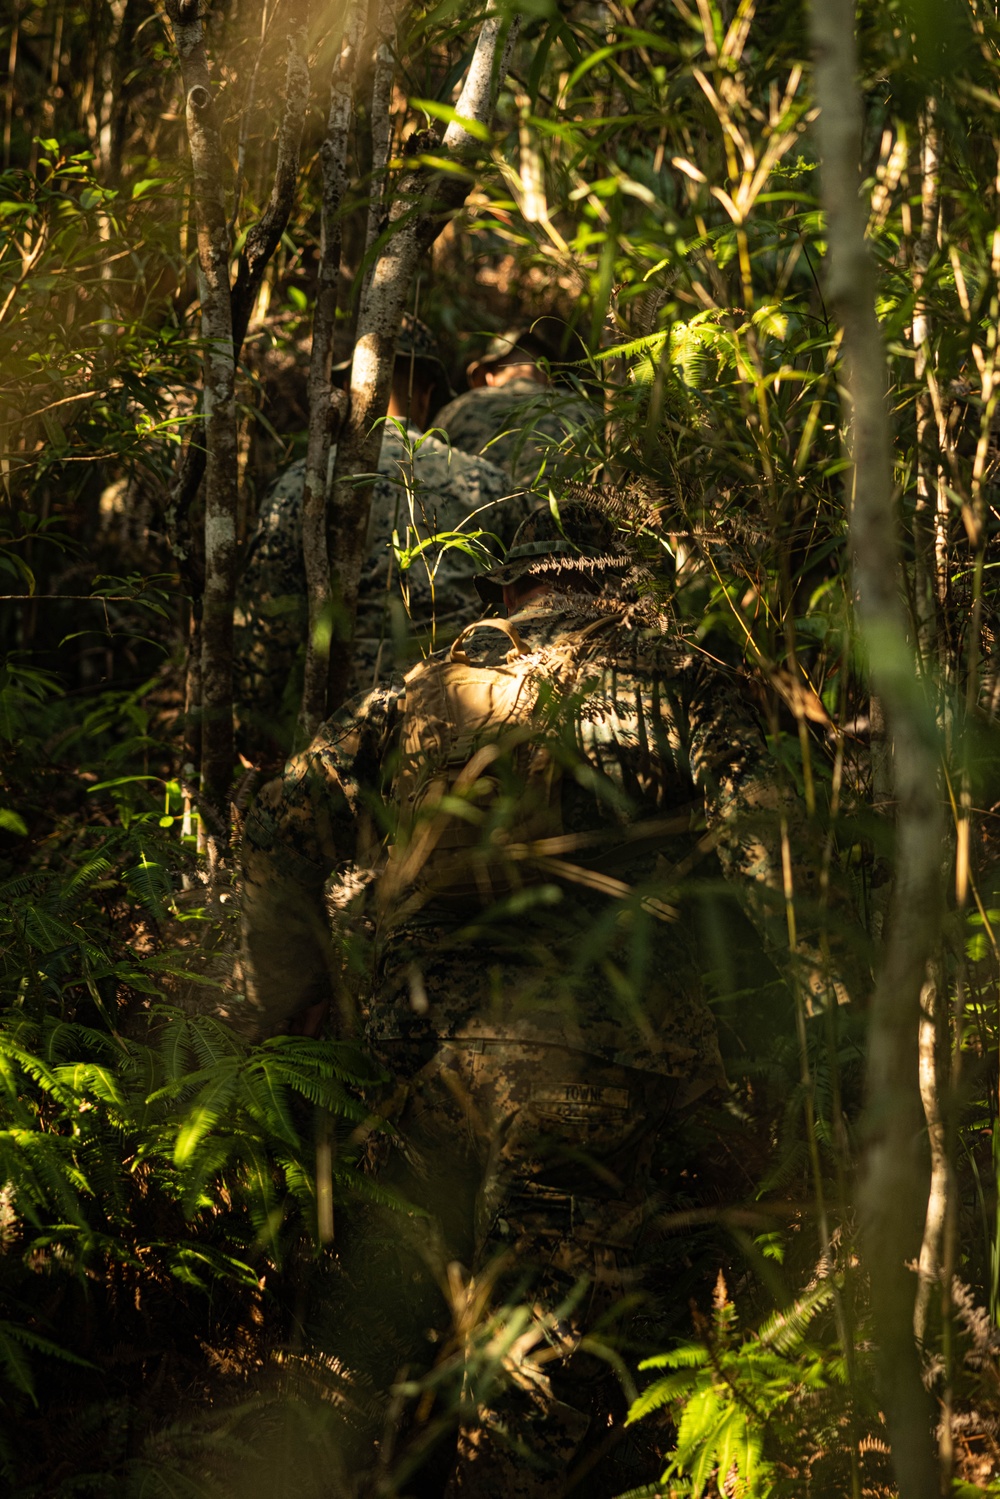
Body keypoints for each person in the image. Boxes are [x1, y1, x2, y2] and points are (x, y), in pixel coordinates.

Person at [239, 496, 862, 1495]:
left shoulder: (422, 686)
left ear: (507, 587)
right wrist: (832, 1023)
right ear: (614, 580)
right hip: (594, 1051)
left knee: (392, 1339)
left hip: (414, 1046)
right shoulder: (682, 675)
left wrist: (301, 994)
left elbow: (274, 823)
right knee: (542, 1367)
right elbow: (768, 854)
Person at [233, 315, 519, 747]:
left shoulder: (305, 483)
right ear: (425, 393)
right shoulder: (486, 484)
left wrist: (252, 728)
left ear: (348, 390)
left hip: (340, 732)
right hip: (458, 725)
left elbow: (268, 619)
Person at [434, 323, 600, 486]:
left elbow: (424, 466)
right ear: (551, 378)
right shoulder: (588, 412)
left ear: (488, 377)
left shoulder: (461, 407)